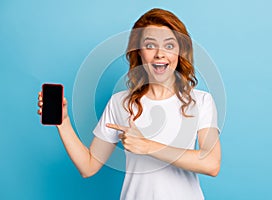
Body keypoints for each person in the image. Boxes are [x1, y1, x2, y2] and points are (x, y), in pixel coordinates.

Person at [37, 8, 221, 200]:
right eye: (150, 45)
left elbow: (211, 163)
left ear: (180, 52)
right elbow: (88, 166)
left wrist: (148, 146)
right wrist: (63, 122)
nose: (160, 54)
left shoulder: (201, 101)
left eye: (169, 45)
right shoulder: (120, 103)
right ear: (139, 52)